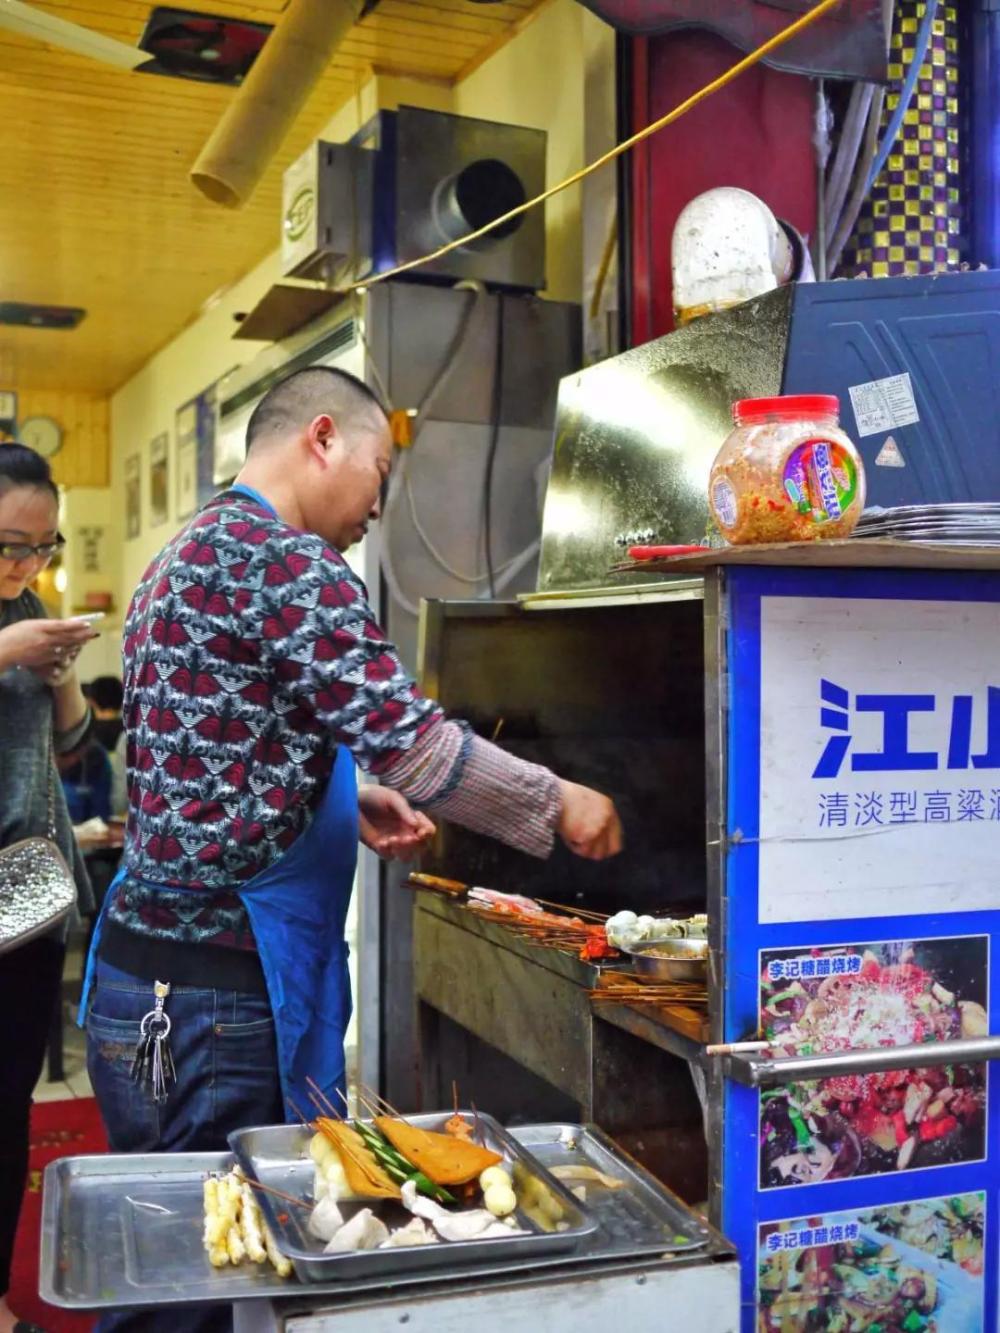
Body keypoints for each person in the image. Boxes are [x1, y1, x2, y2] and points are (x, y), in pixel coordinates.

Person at [81, 368, 621, 1331]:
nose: (378, 503)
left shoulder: (184, 555)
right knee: (214, 1282)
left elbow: (216, 752)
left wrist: (342, 796)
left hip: (140, 984)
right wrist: (559, 804)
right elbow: (417, 743)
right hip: (212, 1000)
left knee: (168, 1260)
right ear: (322, 438)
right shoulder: (288, 564)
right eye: (380, 467)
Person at [0, 444, 97, 1333]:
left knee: (9, 1104)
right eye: (5, 545)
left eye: (38, 547)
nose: (22, 566)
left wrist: (62, 680)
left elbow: (74, 754)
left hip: (25, 903)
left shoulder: (29, 607)